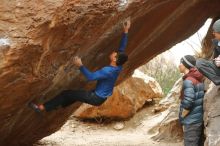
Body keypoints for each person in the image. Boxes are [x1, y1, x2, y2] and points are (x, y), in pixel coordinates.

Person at [29, 19, 131, 112]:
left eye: (115, 53)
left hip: (95, 97)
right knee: (73, 95)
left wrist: (80, 65)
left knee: (67, 94)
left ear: (114, 59)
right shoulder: (118, 65)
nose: (113, 52)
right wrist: (126, 31)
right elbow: (122, 48)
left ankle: (41, 108)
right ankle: (57, 105)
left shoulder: (107, 71)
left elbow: (91, 77)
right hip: (99, 97)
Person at [178, 55, 205, 146]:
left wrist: (182, 116)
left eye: (181, 63)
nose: (179, 65)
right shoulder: (196, 79)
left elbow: (188, 102)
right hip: (196, 119)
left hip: (191, 121)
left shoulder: (188, 81)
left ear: (185, 65)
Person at [196, 19, 220, 85]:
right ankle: (218, 81)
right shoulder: (216, 43)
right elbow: (214, 59)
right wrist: (216, 61)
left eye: (215, 32)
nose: (213, 33)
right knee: (199, 62)